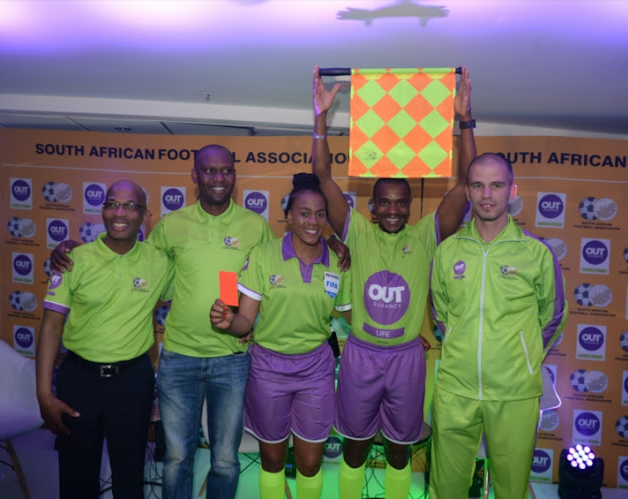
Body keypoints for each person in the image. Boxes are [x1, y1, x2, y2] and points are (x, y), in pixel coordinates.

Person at [51, 144, 349, 499]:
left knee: (225, 461)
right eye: (209, 171)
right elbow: (132, 255)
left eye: (225, 170)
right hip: (179, 358)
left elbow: (283, 263)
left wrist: (333, 241)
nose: (218, 178)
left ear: (234, 175)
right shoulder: (172, 226)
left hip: (232, 359)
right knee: (177, 458)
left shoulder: (254, 227)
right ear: (195, 176)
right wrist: (74, 248)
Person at [311, 65, 476, 499]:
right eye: (384, 202)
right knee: (354, 447)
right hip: (361, 355)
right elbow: (324, 179)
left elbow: (465, 184)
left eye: (401, 203)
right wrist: (320, 119)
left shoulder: (425, 235)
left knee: (401, 451)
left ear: (409, 206)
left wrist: (464, 121)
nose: (393, 210)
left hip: (406, 359)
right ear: (371, 206)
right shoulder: (359, 234)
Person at [429, 153, 568, 498]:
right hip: (455, 390)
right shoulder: (447, 251)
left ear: (512, 191)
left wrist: (521, 357)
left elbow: (552, 317)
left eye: (496, 185)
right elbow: (441, 315)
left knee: (510, 490)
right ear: (468, 192)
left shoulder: (536, 253)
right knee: (446, 488)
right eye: (477, 185)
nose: (486, 194)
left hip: (515, 394)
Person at [209, 173, 351, 499]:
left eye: (320, 214)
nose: (312, 221)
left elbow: (355, 317)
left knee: (311, 464)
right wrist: (229, 322)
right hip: (268, 369)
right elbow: (245, 320)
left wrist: (399, 336)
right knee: (272, 461)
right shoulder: (264, 255)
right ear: (289, 216)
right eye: (304, 213)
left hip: (315, 369)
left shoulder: (338, 262)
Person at [37, 180, 174, 499]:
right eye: (112, 204)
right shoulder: (73, 259)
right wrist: (44, 393)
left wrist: (236, 315)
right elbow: (51, 327)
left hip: (132, 381)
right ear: (103, 210)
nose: (120, 213)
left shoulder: (160, 262)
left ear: (144, 215)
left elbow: (198, 282)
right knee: (76, 476)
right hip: (79, 380)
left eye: (130, 206)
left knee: (129, 477)